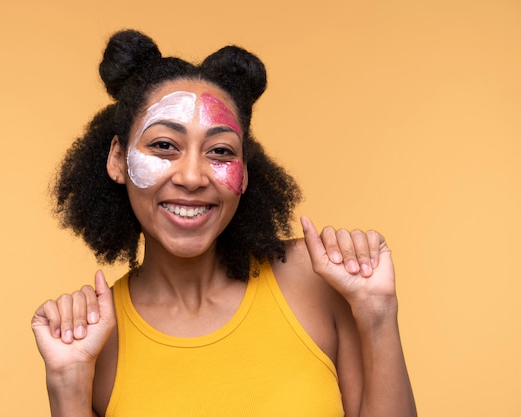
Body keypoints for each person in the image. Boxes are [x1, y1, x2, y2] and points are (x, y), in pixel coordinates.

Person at [31, 29, 417, 417]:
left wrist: (377, 312)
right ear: (117, 159)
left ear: (245, 172)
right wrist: (68, 388)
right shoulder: (95, 338)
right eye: (165, 145)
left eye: (219, 151)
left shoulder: (314, 281)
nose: (193, 176)